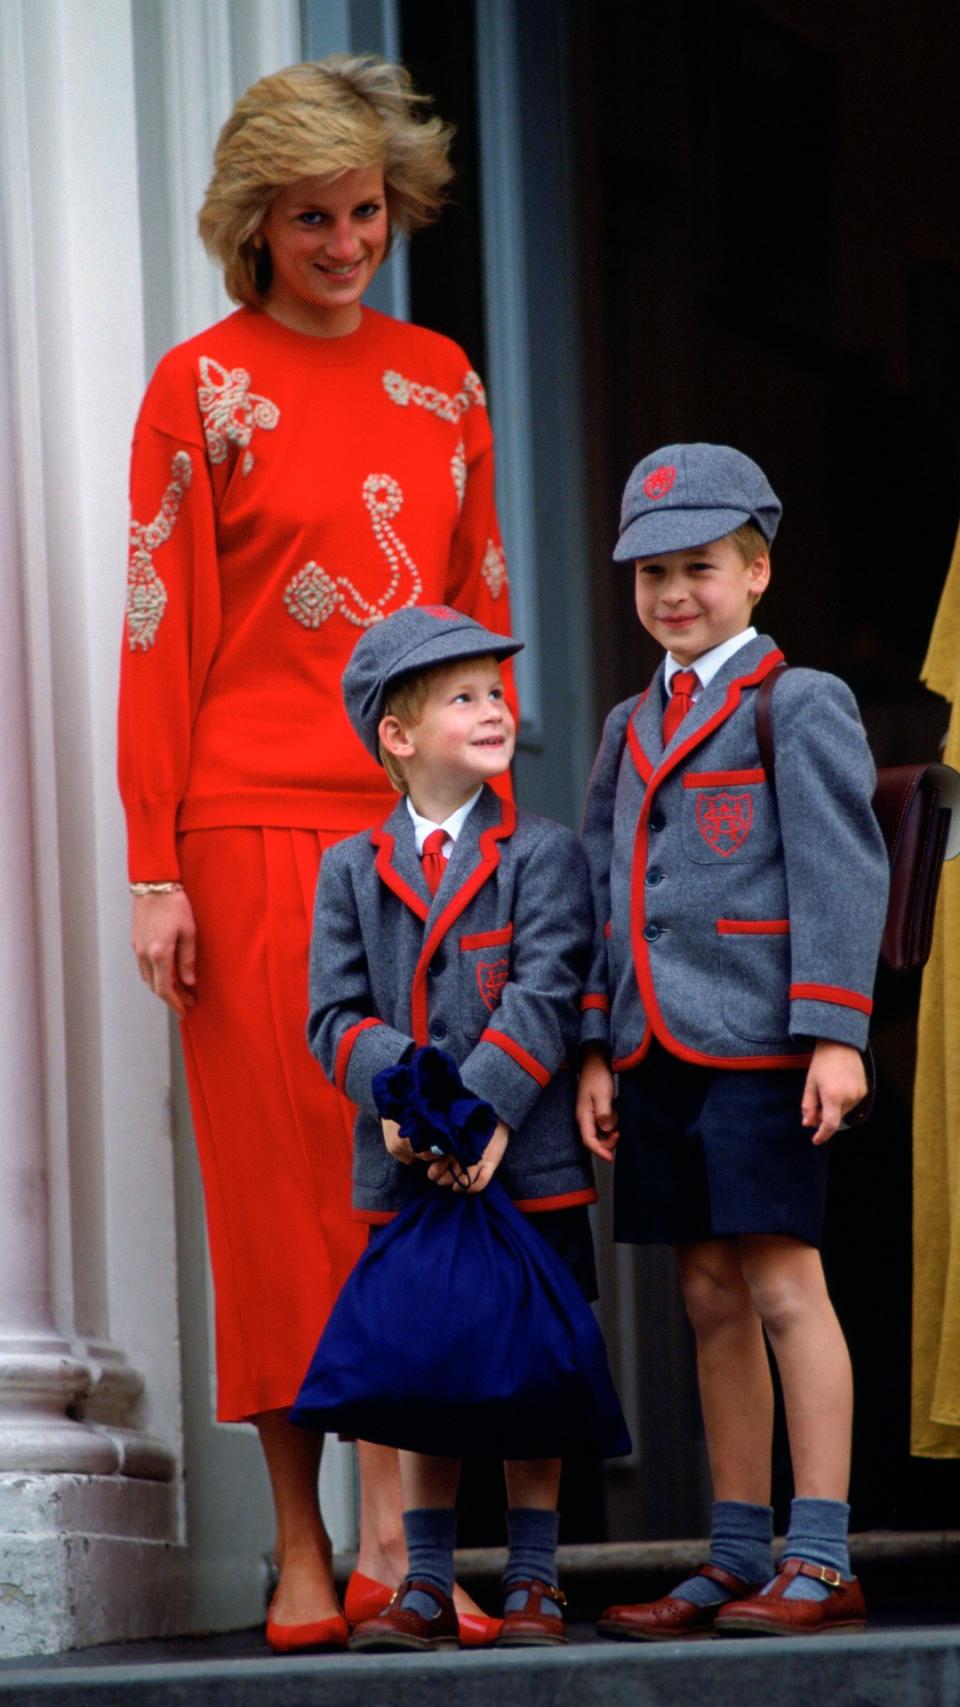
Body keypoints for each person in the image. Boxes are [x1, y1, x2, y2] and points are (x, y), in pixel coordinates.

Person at [118, 55, 516, 1653]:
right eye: (312, 219)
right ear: (254, 224)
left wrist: (490, 827)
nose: (347, 242)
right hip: (246, 831)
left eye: (366, 212)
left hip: (413, 833)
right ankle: (300, 1548)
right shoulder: (200, 383)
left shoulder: (448, 383)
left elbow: (479, 617)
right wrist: (156, 866)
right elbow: (161, 638)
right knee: (282, 1195)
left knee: (420, 1178)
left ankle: (406, 1558)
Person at [576, 443, 889, 1639]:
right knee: (706, 1293)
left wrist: (836, 1035)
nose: (673, 594)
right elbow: (611, 891)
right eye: (652, 573)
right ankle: (737, 1548)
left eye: (700, 568)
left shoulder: (796, 700)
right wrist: (601, 1044)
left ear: (756, 573)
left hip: (764, 1041)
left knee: (780, 1279)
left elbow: (840, 868)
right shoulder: (625, 723)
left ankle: (822, 1552)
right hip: (658, 1047)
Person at [306, 605, 602, 1651]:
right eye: (466, 696)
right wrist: (415, 1114)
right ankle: (426, 1581)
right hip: (411, 1167)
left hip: (528, 1159)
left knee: (533, 1370)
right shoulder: (349, 868)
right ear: (398, 733)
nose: (495, 709)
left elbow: (546, 991)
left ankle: (533, 1578)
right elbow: (334, 1018)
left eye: (497, 692)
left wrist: (477, 1114)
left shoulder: (546, 853)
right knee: (426, 1375)